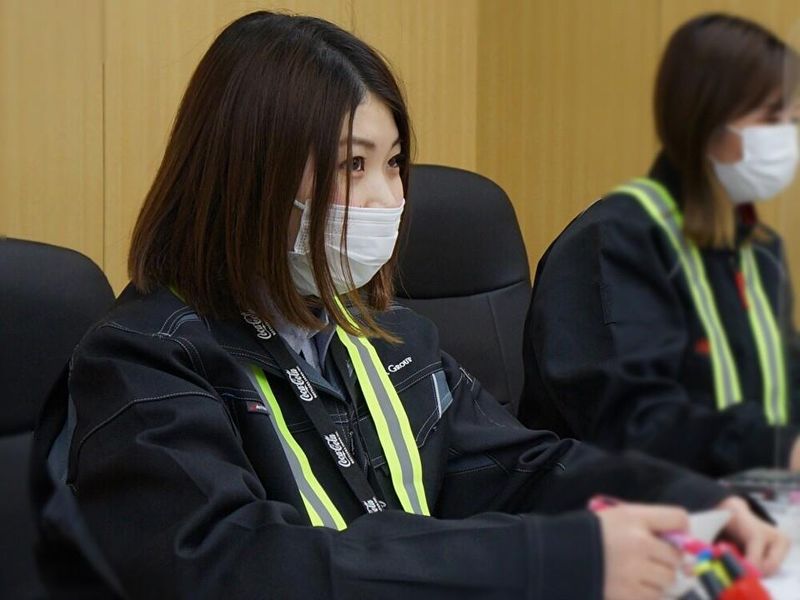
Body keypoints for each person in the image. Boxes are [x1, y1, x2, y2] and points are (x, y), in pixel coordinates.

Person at [32, 11, 788, 600]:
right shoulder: (142, 360)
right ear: (248, 176)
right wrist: (553, 558)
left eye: (394, 163)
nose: (387, 197)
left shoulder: (389, 336)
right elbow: (238, 565)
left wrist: (684, 498)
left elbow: (519, 467)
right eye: (350, 166)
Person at [519, 13, 800, 479]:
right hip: (621, 506)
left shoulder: (757, 253)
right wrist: (776, 449)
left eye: (793, 121)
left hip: (750, 494)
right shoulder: (607, 248)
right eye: (771, 119)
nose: (787, 139)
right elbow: (634, 426)